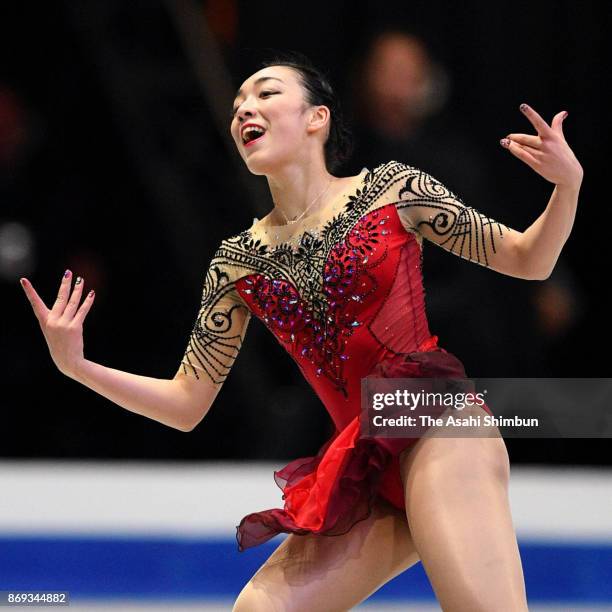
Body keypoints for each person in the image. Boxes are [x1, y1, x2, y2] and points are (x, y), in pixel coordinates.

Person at [20, 52, 583, 611]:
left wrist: (567, 187)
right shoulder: (238, 262)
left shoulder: (394, 191)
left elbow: (527, 259)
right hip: (362, 464)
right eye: (238, 103)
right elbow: (185, 403)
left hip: (433, 422)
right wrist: (79, 367)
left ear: (318, 118)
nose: (244, 109)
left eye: (265, 94)